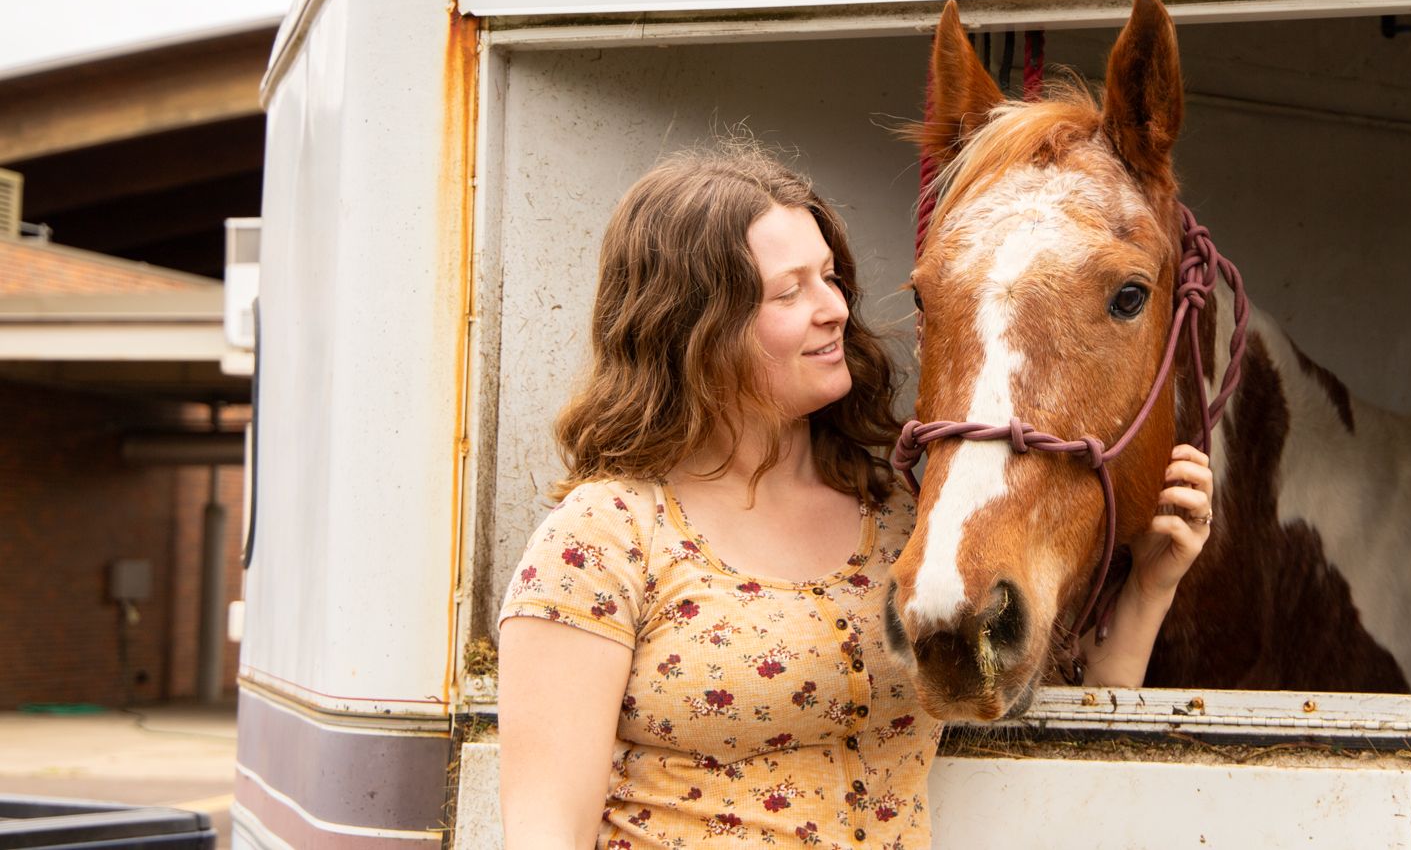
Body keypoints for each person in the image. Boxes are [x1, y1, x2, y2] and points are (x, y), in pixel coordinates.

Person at [496, 146, 1214, 850]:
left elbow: (1022, 694)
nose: (835, 309)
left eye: (830, 277)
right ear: (696, 328)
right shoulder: (603, 539)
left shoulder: (901, 522)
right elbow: (545, 835)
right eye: (790, 291)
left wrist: (1152, 588)